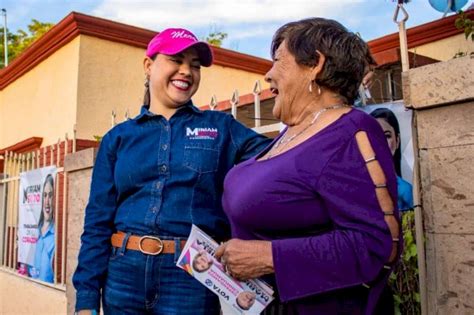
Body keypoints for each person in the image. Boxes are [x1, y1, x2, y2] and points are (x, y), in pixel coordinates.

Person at [72, 28, 270, 315]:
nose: (186, 71)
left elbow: (279, 160)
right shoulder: (118, 138)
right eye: (176, 60)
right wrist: (87, 299)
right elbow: (97, 221)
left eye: (195, 65)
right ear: (149, 66)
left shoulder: (221, 128)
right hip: (123, 275)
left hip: (191, 275)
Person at [216, 18, 401, 314]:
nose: (268, 74)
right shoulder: (290, 133)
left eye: (278, 61)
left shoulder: (351, 131)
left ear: (315, 63)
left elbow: (375, 245)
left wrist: (270, 256)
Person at [370, 108, 414, 211]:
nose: (381, 142)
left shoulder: (405, 190)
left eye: (387, 136)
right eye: (374, 136)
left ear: (397, 140)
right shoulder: (358, 186)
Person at [31, 173, 55, 283]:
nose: (47, 202)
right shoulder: (36, 231)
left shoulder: (56, 235)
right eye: (44, 195)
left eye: (50, 196)